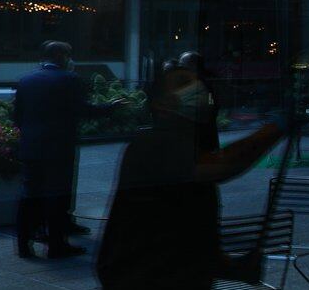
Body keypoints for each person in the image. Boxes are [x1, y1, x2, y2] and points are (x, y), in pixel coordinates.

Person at [97, 60, 284, 290]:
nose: (197, 88)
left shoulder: (186, 146)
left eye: (197, 81)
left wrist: (233, 268)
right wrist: (276, 127)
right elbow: (223, 165)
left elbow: (187, 240)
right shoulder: (152, 145)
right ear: (161, 104)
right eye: (184, 82)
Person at [13, 40, 126, 259]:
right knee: (57, 196)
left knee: (29, 195)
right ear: (61, 56)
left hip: (31, 147)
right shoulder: (69, 79)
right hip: (58, 148)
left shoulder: (26, 80)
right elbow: (83, 110)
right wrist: (109, 108)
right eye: (68, 55)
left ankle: (24, 245)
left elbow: (18, 116)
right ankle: (56, 245)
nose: (70, 60)